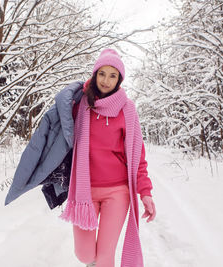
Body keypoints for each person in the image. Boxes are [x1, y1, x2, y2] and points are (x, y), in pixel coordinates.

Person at [60, 48, 156, 267]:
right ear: (95, 74)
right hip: (85, 190)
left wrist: (145, 193)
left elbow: (137, 156)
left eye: (113, 75)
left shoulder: (127, 109)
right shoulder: (81, 105)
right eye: (102, 73)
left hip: (118, 192)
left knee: (105, 257)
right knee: (85, 255)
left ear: (119, 79)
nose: (106, 80)